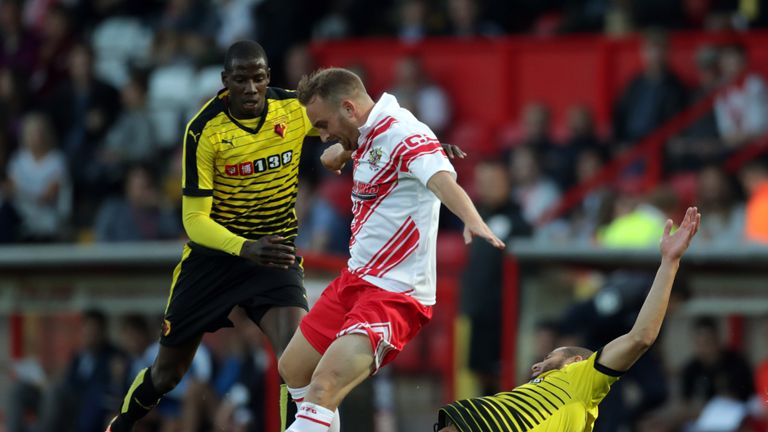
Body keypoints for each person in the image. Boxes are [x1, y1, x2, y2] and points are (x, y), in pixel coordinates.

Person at [105, 40, 317, 432]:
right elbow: (194, 219)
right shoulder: (203, 130)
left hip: (272, 256)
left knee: (298, 360)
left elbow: (357, 120)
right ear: (225, 81)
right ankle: (121, 423)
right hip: (214, 260)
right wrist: (243, 247)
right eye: (241, 80)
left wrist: (418, 148)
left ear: (269, 77)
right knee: (167, 374)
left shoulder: (295, 109)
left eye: (258, 78)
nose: (251, 88)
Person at [277, 67, 505, 432]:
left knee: (323, 387)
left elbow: (441, 179)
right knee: (293, 368)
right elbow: (370, 149)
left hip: (395, 294)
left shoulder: (405, 132)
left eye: (322, 125)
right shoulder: (367, 131)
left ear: (349, 109)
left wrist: (471, 218)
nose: (321, 136)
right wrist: (340, 151)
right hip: (355, 280)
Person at [436, 206, 701, 432]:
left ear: (575, 361)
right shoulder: (531, 393)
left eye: (550, 356)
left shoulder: (583, 379)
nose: (535, 366)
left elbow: (641, 337)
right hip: (482, 415)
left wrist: (669, 262)